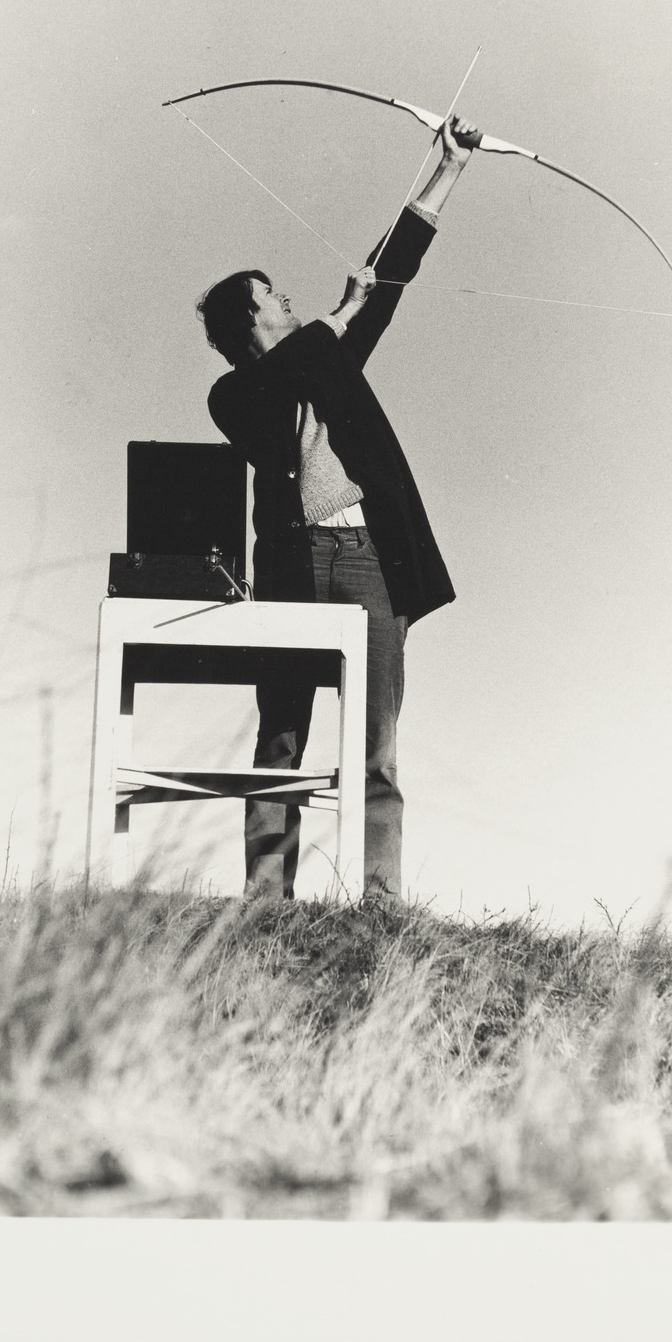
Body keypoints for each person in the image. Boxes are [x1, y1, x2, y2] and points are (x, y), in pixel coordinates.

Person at [199, 113, 480, 901]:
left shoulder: (325, 355)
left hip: (366, 558)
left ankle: (380, 900)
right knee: (282, 734)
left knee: (375, 742)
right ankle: (265, 901)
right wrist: (340, 313)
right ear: (247, 322)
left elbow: (386, 278)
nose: (286, 296)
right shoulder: (232, 393)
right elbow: (279, 378)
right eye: (271, 295)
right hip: (296, 566)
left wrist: (448, 169)